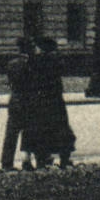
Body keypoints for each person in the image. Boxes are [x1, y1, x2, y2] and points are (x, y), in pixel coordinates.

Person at [24, 37, 76, 168]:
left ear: (42, 48)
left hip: (40, 101)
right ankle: (64, 159)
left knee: (40, 131)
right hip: (56, 101)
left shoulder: (35, 61)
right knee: (61, 129)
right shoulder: (56, 60)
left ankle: (41, 160)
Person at [0, 37, 37, 171]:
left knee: (11, 133)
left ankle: (6, 162)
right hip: (29, 100)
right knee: (29, 132)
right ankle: (26, 161)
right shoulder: (32, 64)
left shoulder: (11, 64)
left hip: (15, 100)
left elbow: (10, 82)